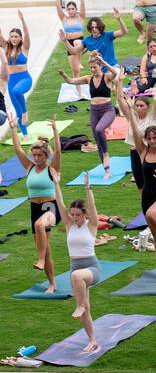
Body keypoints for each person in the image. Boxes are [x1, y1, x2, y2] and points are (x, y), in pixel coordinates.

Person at [46, 169, 102, 353]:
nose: (74, 217)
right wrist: (56, 183)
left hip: (91, 268)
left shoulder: (91, 225)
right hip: (75, 268)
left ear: (84, 214)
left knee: (77, 278)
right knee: (86, 311)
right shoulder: (69, 225)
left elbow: (93, 207)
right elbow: (60, 204)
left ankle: (79, 305)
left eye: (78, 214)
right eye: (73, 214)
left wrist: (88, 188)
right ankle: (92, 340)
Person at [123, 90, 156, 285]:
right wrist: (129, 110)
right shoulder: (142, 153)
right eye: (150, 138)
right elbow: (135, 132)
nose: (152, 141)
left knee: (153, 217)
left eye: (155, 138)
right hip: (147, 197)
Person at [6, 113, 62, 291]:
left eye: (40, 155)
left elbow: (59, 152)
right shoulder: (29, 167)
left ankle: (39, 258)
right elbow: (17, 149)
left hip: (51, 207)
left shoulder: (52, 169)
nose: (36, 158)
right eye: (34, 155)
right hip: (35, 208)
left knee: (40, 226)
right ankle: (52, 283)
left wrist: (55, 131)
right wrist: (14, 128)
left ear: (46, 155)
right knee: (47, 251)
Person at [57, 53, 119, 177]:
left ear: (100, 66)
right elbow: (71, 81)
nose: (92, 70)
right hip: (94, 110)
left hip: (107, 109)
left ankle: (106, 153)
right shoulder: (88, 79)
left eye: (94, 67)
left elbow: (115, 73)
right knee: (97, 137)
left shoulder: (106, 77)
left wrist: (105, 62)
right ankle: (107, 170)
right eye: (90, 67)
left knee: (99, 129)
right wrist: (65, 76)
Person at [56, 0, 86, 78]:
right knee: (75, 71)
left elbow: (82, 4)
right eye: (69, 9)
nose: (71, 11)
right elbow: (57, 5)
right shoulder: (64, 18)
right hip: (69, 43)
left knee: (77, 42)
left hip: (80, 42)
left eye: (73, 9)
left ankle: (79, 62)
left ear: (76, 9)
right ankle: (78, 92)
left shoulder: (80, 17)